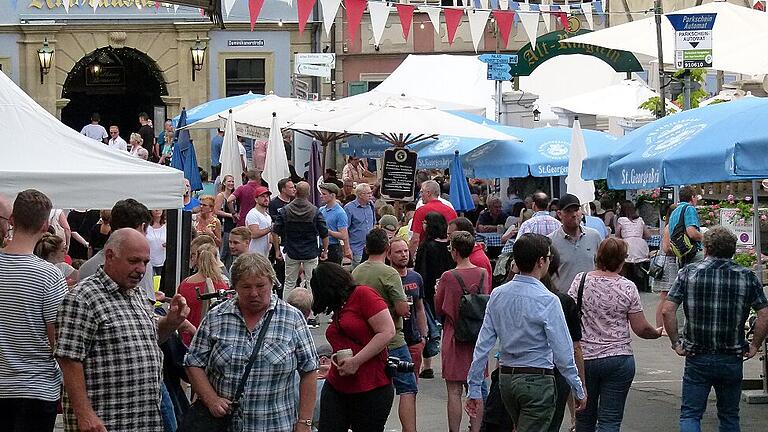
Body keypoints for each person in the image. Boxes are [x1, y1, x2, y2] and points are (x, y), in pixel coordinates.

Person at [56, 229, 190, 431]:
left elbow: (151, 338)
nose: (141, 269)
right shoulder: (82, 298)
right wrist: (84, 414)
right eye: (134, 261)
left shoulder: (135, 294)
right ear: (110, 256)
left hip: (142, 421)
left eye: (145, 262)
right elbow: (69, 360)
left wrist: (171, 322)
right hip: (106, 422)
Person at [465, 233, 586, 432]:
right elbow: (563, 351)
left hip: (507, 377)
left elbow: (483, 343)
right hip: (537, 378)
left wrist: (475, 386)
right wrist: (577, 387)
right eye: (548, 258)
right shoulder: (548, 299)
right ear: (540, 261)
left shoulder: (498, 293)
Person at [185, 253, 318, 431]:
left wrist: (304, 422)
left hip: (275, 425)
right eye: (246, 287)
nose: (254, 293)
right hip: (223, 425)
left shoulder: (292, 319)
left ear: (272, 283)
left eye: (261, 286)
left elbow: (309, 370)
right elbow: (193, 362)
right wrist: (211, 399)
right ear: (234, 287)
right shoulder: (216, 317)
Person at [662, 226, 768, 432]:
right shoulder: (747, 276)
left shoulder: (688, 273)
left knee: (691, 414)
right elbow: (764, 313)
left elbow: (667, 310)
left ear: (706, 248)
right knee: (729, 416)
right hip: (731, 356)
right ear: (733, 250)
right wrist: (755, 344)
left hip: (697, 354)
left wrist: (676, 342)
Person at [568, 238, 662, 431]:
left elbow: (569, 313)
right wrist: (656, 332)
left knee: (584, 418)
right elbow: (640, 328)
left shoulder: (581, 280)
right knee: (610, 420)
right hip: (618, 358)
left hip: (585, 357)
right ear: (622, 260)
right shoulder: (627, 287)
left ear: (598, 256)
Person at [0, 190, 67, 432]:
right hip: (37, 387)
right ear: (45, 226)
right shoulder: (49, 275)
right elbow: (57, 339)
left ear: (13, 221)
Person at [310, 262, 396, 432]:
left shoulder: (363, 294)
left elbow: (387, 331)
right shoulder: (339, 306)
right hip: (338, 384)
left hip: (371, 385)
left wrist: (356, 361)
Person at [352, 228, 417, 432]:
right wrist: (405, 308)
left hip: (365, 341)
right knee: (407, 387)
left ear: (366, 247)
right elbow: (400, 308)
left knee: (372, 388)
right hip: (392, 340)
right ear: (387, 249)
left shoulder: (357, 272)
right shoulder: (389, 273)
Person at [435, 231, 491, 432]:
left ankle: (454, 430)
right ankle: (476, 429)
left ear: (455, 251)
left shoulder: (448, 277)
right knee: (475, 388)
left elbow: (439, 306)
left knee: (454, 390)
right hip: (477, 336)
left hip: (454, 335)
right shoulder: (483, 273)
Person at [78, 198, 156, 303]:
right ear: (142, 228)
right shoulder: (141, 265)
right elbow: (148, 311)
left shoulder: (86, 268)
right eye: (132, 260)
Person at [414, 211, 455, 379]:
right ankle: (449, 362)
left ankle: (428, 365)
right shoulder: (450, 245)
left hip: (430, 292)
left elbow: (420, 270)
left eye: (425, 222)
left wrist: (419, 292)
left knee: (428, 327)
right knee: (449, 328)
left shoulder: (427, 245)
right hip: (448, 292)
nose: (423, 225)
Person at [273, 181, 329, 299]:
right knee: (311, 283)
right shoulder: (315, 211)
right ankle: (312, 312)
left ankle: (287, 309)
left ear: (295, 192)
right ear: (308, 193)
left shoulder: (285, 210)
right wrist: (325, 250)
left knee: (289, 283)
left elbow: (275, 231)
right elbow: (324, 233)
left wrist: (277, 250)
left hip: (292, 251)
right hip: (311, 252)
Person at [388, 238, 428, 384]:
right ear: (389, 255)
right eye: (398, 252)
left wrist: (424, 336)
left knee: (411, 384)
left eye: (405, 251)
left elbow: (420, 308)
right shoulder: (387, 277)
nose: (404, 255)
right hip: (392, 340)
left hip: (414, 340)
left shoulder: (415, 277)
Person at [177, 243, 230, 345]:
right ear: (216, 259)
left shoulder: (185, 284)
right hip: (214, 339)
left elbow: (179, 312)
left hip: (188, 338)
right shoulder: (222, 285)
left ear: (197, 258)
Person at [548, 194, 602, 294]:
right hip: (563, 299)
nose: (574, 214)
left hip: (590, 298)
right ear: (559, 214)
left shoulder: (594, 236)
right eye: (568, 211)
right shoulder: (551, 241)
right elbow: (545, 274)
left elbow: (602, 265)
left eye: (576, 210)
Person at [409, 180, 457, 254]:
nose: (420, 195)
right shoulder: (451, 211)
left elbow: (415, 239)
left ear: (428, 193)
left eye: (422, 192)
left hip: (427, 253)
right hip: (448, 253)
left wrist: (410, 260)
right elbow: (456, 235)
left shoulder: (421, 211)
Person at [653, 204, 680, 328]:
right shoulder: (669, 227)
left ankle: (663, 326)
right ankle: (660, 326)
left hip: (670, 264)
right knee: (665, 296)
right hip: (668, 264)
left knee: (666, 296)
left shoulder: (671, 226)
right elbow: (666, 248)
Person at [616, 200, 650, 292]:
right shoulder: (640, 220)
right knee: (641, 263)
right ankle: (644, 284)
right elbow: (648, 235)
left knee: (623, 264)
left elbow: (617, 236)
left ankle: (622, 285)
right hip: (641, 247)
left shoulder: (621, 220)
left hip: (627, 246)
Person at [664, 185, 704, 264]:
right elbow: (692, 233)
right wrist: (706, 238)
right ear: (692, 197)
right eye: (696, 197)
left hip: (682, 254)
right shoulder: (689, 208)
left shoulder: (674, 211)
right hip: (694, 253)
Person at [448, 217, 492, 283]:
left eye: (450, 235)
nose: (448, 239)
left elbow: (483, 290)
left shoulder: (478, 260)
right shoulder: (465, 255)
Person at [344, 183, 376, 268]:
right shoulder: (349, 208)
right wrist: (347, 248)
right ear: (360, 195)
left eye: (371, 193)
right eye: (368, 193)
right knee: (358, 272)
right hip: (356, 248)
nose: (371, 195)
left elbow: (373, 223)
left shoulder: (371, 205)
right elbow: (344, 229)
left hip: (370, 247)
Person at [318, 183, 352, 265]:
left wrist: (327, 231)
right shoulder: (321, 210)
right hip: (320, 246)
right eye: (321, 193)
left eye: (324, 194)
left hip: (333, 248)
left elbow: (343, 235)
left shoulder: (340, 213)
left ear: (332, 195)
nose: (321, 196)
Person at [242, 185, 272, 257]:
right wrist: (271, 228)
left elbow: (268, 236)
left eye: (267, 196)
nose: (266, 199)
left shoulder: (268, 216)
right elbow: (254, 234)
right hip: (254, 254)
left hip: (265, 254)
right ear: (256, 199)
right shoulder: (253, 214)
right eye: (262, 196)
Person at [214, 174, 237, 261]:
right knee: (224, 251)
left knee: (231, 252)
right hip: (224, 226)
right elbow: (216, 211)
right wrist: (230, 215)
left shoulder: (234, 196)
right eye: (229, 181)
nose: (231, 183)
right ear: (224, 183)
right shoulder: (221, 196)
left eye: (232, 181)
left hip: (233, 225)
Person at [147, 209, 167, 277]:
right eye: (155, 207)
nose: (157, 210)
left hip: (164, 262)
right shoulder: (146, 226)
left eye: (160, 207)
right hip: (149, 263)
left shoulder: (167, 225)